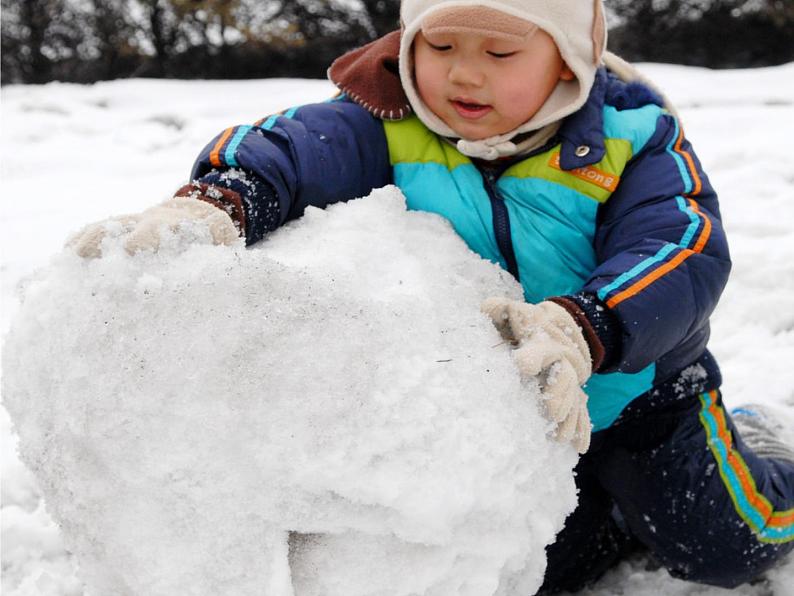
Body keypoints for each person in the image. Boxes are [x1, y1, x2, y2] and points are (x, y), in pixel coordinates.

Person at [69, 0, 794, 591]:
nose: (463, 75)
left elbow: (683, 248)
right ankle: (606, 511)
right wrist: (222, 199)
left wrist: (586, 326)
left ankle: (762, 452)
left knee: (719, 543)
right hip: (516, 414)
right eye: (439, 46)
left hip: (642, 397)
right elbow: (292, 149)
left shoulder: (629, 141)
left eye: (501, 53)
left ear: (569, 59)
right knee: (529, 569)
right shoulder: (387, 126)